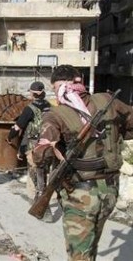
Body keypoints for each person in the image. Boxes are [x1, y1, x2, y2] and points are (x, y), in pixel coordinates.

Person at [32, 65, 133, 261]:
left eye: (54, 89)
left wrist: (49, 147)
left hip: (79, 195)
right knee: (90, 247)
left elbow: (40, 157)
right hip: (109, 191)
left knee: (79, 256)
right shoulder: (107, 101)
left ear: (59, 86)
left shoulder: (56, 114)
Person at [6, 81, 51, 201]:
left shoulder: (29, 109)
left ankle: (39, 195)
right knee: (45, 168)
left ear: (33, 94)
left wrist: (10, 136)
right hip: (49, 142)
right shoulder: (49, 106)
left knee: (34, 168)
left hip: (34, 143)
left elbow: (18, 127)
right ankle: (43, 191)